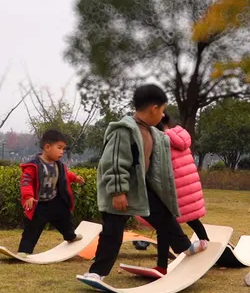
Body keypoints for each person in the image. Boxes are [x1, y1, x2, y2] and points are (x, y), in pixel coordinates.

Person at [82, 84, 208, 281]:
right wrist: (118, 192)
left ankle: (183, 246)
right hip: (122, 191)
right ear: (154, 109)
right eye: (163, 110)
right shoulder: (124, 131)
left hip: (141, 188)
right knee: (112, 233)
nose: (163, 114)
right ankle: (97, 272)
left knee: (164, 216)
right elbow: (114, 162)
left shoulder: (152, 132)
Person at [137, 112, 208, 273]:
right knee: (192, 220)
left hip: (173, 189)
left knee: (164, 225)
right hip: (189, 187)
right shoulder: (181, 136)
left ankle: (162, 265)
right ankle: (206, 244)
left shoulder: (159, 140)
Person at [18, 129, 86, 256]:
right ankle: (24, 251)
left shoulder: (58, 165)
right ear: (47, 147)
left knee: (65, 218)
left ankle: (70, 235)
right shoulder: (33, 165)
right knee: (33, 228)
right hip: (39, 204)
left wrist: (75, 178)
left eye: (63, 149)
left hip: (54, 200)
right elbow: (25, 181)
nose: (62, 152)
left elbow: (65, 175)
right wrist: (28, 196)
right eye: (59, 148)